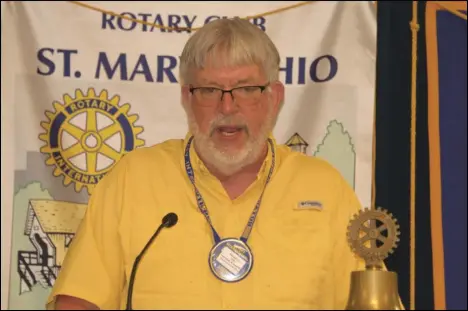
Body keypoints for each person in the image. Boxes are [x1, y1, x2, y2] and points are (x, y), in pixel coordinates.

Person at [47, 17, 365, 310]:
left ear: (275, 97)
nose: (227, 106)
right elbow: (78, 303)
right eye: (209, 90)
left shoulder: (325, 188)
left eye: (246, 89)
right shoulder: (133, 179)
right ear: (186, 97)